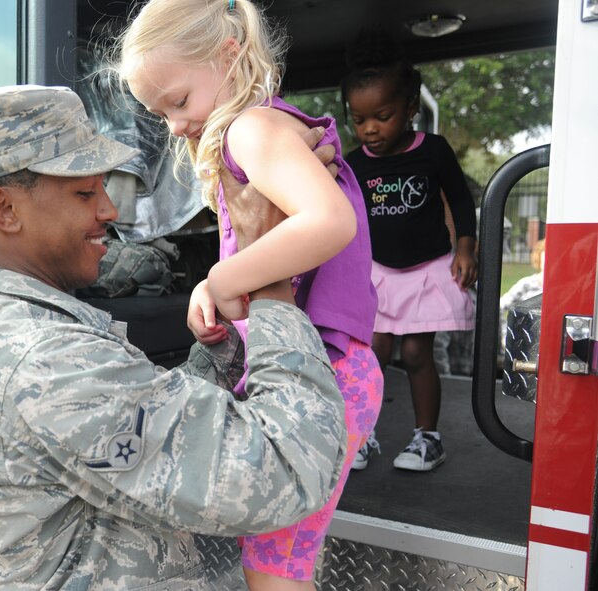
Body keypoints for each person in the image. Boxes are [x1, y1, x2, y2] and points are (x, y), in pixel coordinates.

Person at [0, 84, 350, 590]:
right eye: (85, 193)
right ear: (5, 210)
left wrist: (221, 351)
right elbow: (288, 469)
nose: (108, 210)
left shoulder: (25, 336)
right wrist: (273, 276)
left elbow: (145, 434)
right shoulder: (45, 360)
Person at [113, 1, 382, 588]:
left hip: (325, 371)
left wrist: (222, 281)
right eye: (161, 114)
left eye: (179, 101)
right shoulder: (267, 128)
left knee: (274, 568)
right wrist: (220, 292)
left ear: (228, 55)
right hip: (319, 366)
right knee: (279, 557)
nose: (175, 125)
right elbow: (273, 239)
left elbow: (329, 222)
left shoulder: (251, 129)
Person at [341, 33, 477, 472]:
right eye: (359, 120)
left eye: (383, 116)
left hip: (425, 268)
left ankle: (427, 438)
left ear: (411, 109)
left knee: (417, 354)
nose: (370, 129)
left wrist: (466, 249)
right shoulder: (354, 163)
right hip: (379, 272)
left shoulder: (432, 152)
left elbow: (460, 200)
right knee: (372, 354)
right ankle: (363, 435)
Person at [499, 238, 545, 354]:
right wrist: (507, 335)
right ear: (539, 257)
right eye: (547, 254)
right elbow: (500, 307)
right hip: (525, 350)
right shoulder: (526, 285)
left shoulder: (561, 289)